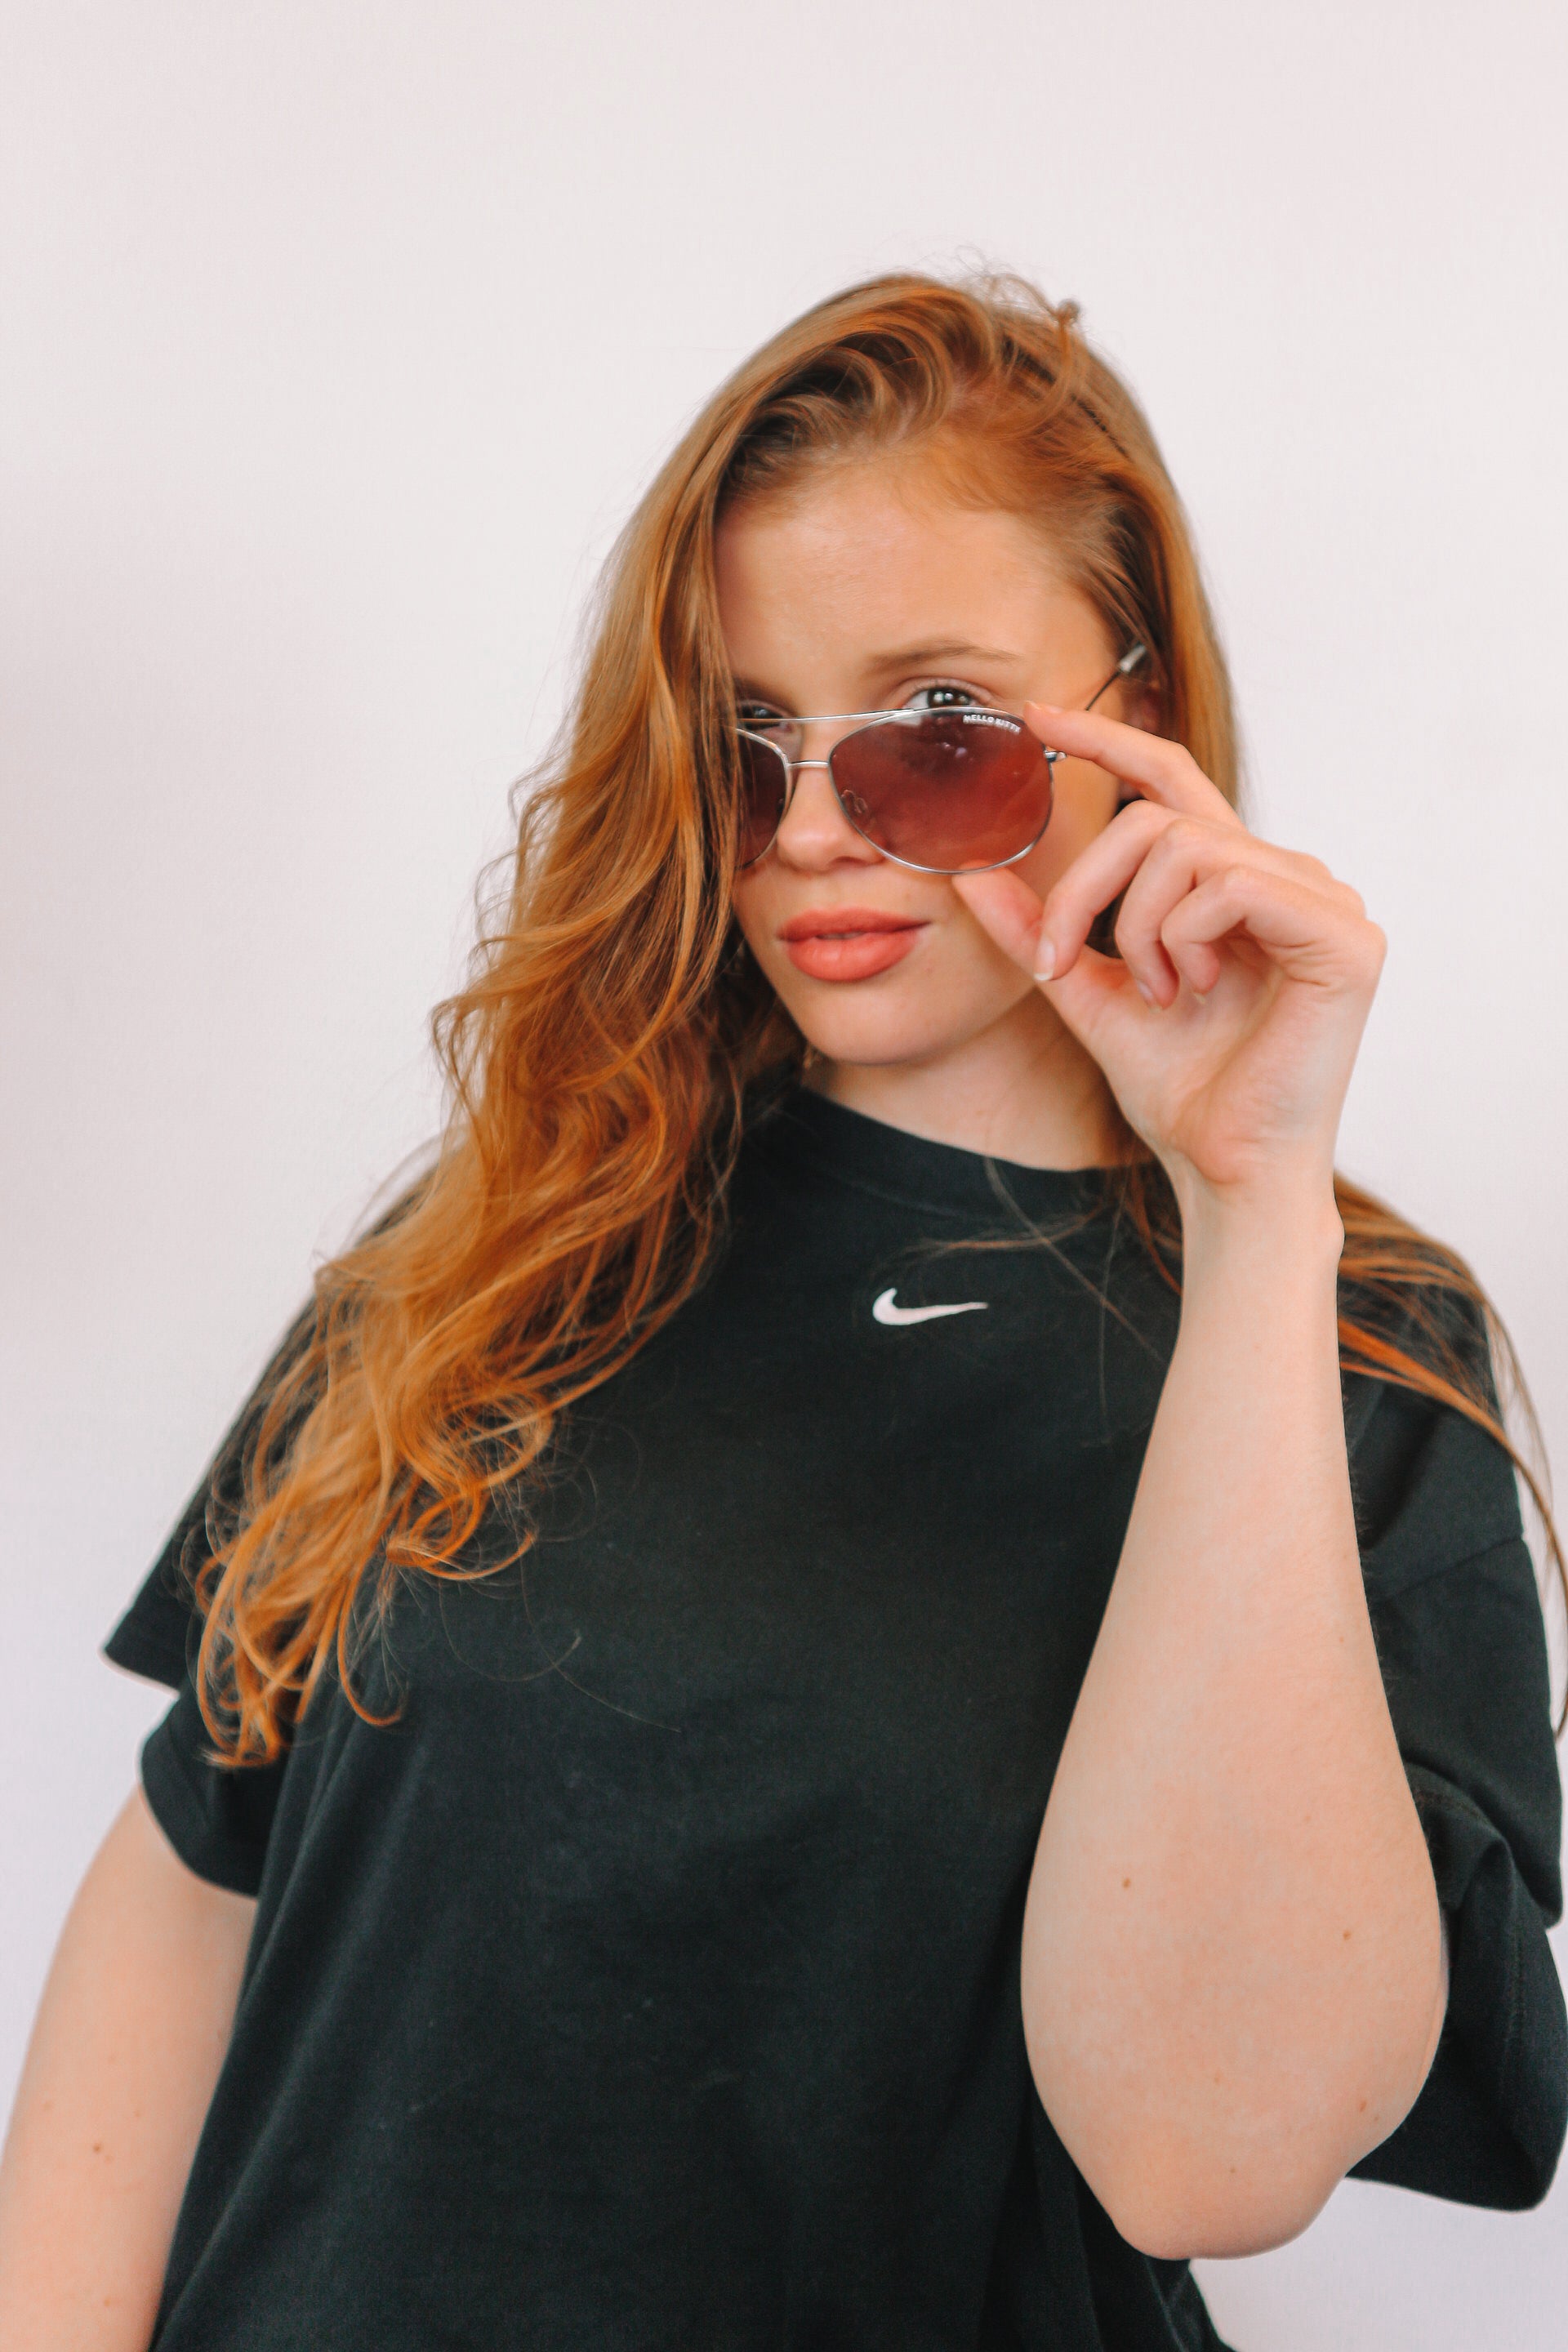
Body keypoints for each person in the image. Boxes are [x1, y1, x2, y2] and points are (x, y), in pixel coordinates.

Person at [0, 272, 1562, 2352]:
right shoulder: (521, 1229)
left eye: (939, 739)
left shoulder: (1345, 1349)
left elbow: (1204, 2154)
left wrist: (1249, 1207)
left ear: (1142, 716)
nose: (815, 830)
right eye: (742, 749)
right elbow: (199, 1874)